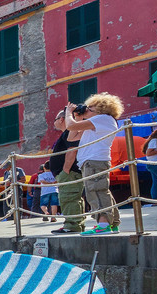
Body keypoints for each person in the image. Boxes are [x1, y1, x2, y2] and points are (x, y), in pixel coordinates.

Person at [60, 94, 123, 231]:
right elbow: (71, 137)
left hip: (94, 161)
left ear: (101, 109)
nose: (86, 110)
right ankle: (113, 223)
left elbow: (70, 126)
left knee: (96, 192)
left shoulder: (103, 119)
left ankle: (104, 225)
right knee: (101, 191)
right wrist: (78, 117)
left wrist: (68, 113)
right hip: (91, 161)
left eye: (89, 108)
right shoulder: (97, 123)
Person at [49, 104, 86, 233]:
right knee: (73, 198)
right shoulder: (69, 133)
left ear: (61, 119)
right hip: (70, 172)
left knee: (68, 198)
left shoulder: (69, 133)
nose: (54, 122)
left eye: (55, 119)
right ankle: (76, 224)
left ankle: (71, 226)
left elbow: (72, 149)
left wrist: (65, 170)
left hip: (69, 172)